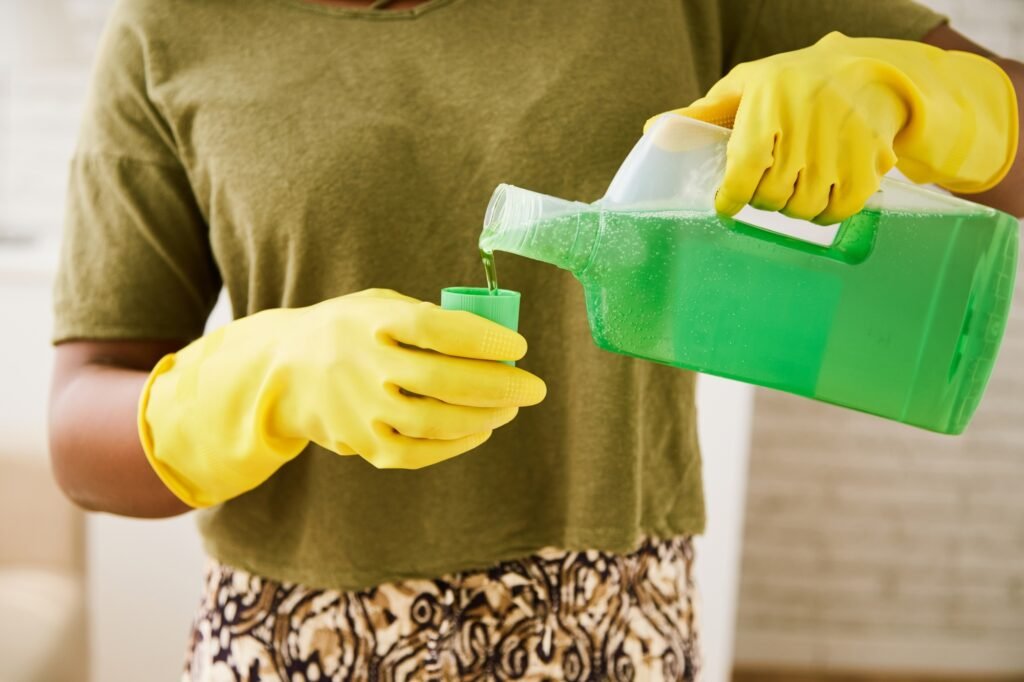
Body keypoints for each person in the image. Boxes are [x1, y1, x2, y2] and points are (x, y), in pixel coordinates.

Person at [48, 0, 1021, 679]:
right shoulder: (167, 28)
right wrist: (259, 378)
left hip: (611, 626)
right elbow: (81, 438)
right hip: (298, 637)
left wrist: (918, 92)